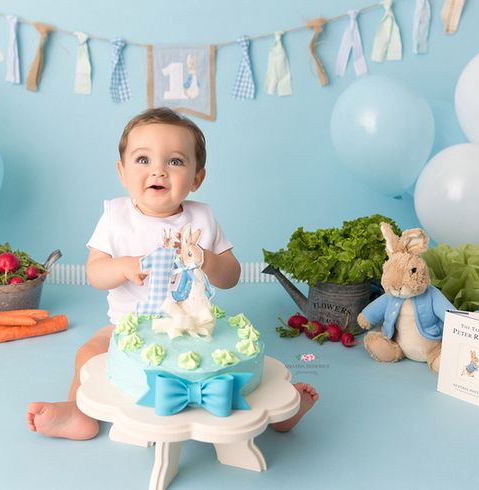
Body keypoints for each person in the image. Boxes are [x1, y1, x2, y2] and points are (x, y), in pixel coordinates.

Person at [26, 107, 318, 440]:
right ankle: (77, 413)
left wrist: (206, 258)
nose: (159, 171)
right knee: (89, 353)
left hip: (196, 330)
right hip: (127, 329)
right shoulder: (115, 216)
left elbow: (231, 276)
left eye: (175, 161)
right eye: (143, 160)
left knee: (240, 363)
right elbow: (95, 273)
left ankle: (281, 413)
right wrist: (122, 267)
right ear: (122, 172)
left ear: (197, 178)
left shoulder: (202, 219)